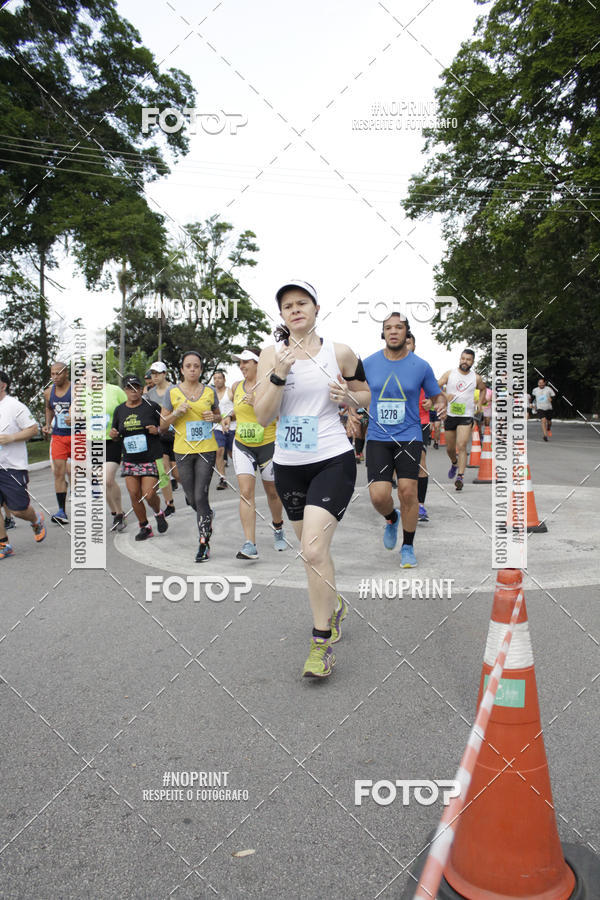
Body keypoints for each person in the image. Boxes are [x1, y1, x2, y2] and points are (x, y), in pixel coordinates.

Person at [254, 280, 370, 679]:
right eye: (287, 305)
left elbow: (365, 393)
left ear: (316, 308)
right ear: (281, 315)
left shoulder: (340, 351)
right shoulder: (271, 355)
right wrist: (279, 374)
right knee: (312, 552)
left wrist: (349, 398)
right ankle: (332, 605)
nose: (295, 309)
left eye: (301, 302)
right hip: (289, 466)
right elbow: (263, 416)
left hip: (332, 459)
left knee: (313, 551)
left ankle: (321, 644)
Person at [362, 313, 446, 567]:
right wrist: (351, 410)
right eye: (388, 327)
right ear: (383, 333)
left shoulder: (421, 366)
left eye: (399, 327)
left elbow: (437, 395)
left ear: (406, 333)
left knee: (408, 492)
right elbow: (356, 393)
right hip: (378, 437)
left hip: (409, 435)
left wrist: (440, 404)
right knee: (379, 496)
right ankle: (391, 518)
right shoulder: (368, 363)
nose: (393, 331)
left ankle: (408, 546)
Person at [160, 351, 221, 562]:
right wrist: (176, 413)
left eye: (196, 366)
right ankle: (206, 514)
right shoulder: (172, 392)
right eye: (188, 366)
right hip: (183, 450)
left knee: (201, 496)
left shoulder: (210, 391)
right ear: (182, 370)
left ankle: (204, 542)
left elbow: (219, 416)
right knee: (192, 497)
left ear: (201, 369)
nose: (192, 369)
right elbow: (162, 425)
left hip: (206, 449)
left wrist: (214, 417)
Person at [230, 348, 287, 559]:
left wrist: (257, 403)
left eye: (246, 362)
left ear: (258, 363)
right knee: (246, 492)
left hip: (268, 445)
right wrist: (227, 417)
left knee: (272, 492)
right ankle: (249, 544)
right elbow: (236, 411)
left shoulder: (270, 386)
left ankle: (278, 528)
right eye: (240, 363)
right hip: (242, 445)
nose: (242, 366)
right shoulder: (235, 387)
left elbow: (281, 414)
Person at [110, 374, 168, 541]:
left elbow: (167, 427)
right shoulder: (120, 410)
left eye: (136, 387)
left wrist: (157, 430)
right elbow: (116, 432)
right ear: (125, 390)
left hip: (150, 457)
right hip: (130, 459)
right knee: (134, 494)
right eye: (129, 388)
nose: (133, 391)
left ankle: (158, 512)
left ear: (142, 389)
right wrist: (113, 435)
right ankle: (145, 527)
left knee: (148, 494)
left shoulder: (152, 406)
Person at [0, 370, 46, 558]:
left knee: (18, 510)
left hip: (12, 466)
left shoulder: (15, 406)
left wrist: (11, 437)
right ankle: (3, 544)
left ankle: (35, 519)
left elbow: (33, 429)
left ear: (3, 385)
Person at [438, 349, 487, 491]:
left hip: (466, 415)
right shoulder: (450, 374)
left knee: (462, 445)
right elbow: (435, 385)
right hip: (450, 415)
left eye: (468, 359)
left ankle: (460, 476)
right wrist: (445, 395)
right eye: (463, 358)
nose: (465, 361)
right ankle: (454, 463)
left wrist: (480, 403)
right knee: (450, 449)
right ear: (460, 359)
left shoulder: (476, 378)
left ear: (472, 362)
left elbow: (483, 389)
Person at [146, 361, 178, 514]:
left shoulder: (175, 390)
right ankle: (169, 504)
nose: (155, 376)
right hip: (159, 437)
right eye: (153, 373)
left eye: (158, 373)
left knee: (177, 474)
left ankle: (191, 495)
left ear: (165, 374)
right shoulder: (149, 394)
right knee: (163, 471)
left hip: (176, 435)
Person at [406, 333, 431, 523]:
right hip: (398, 422)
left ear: (414, 345)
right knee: (402, 465)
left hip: (420, 421)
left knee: (421, 461)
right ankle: (406, 500)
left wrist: (432, 402)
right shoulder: (388, 366)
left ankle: (420, 504)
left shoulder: (422, 367)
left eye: (409, 342)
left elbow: (435, 393)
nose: (406, 345)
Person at [43, 360, 71, 525]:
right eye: (52, 374)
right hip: (59, 436)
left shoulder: (76, 389)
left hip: (78, 436)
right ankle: (62, 511)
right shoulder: (48, 392)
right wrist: (48, 424)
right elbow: (49, 408)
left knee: (81, 472)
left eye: (58, 373)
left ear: (66, 373)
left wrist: (77, 417)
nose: (55, 377)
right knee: (59, 473)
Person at [213, 369, 235, 490]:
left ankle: (244, 474)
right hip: (217, 427)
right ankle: (222, 479)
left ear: (224, 379)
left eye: (219, 378)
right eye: (215, 378)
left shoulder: (230, 392)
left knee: (233, 454)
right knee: (219, 451)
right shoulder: (211, 394)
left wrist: (230, 417)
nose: (217, 380)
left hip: (232, 426)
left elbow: (238, 407)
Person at [532, 377, 556, 441]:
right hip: (540, 408)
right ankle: (545, 435)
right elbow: (533, 398)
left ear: (544, 383)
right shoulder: (535, 390)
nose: (541, 384)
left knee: (549, 422)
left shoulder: (548, 389)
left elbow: (554, 396)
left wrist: (551, 399)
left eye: (542, 383)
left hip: (548, 408)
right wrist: (533, 404)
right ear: (538, 383)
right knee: (543, 420)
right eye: (539, 383)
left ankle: (548, 428)